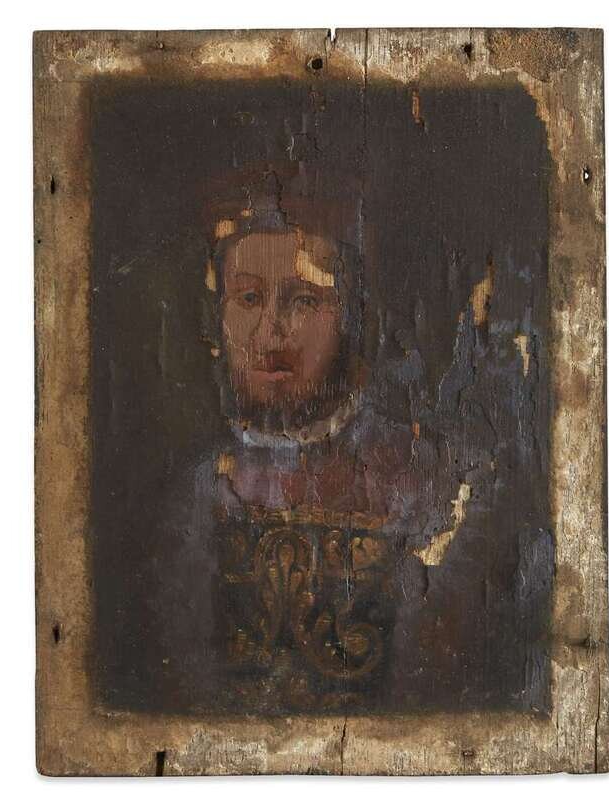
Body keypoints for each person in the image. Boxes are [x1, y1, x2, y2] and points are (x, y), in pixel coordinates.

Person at [144, 171, 456, 713]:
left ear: (349, 316)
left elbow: (432, 684)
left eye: (304, 300)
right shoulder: (198, 491)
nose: (271, 332)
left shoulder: (416, 476)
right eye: (248, 298)